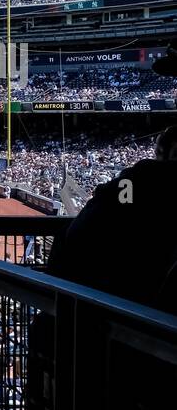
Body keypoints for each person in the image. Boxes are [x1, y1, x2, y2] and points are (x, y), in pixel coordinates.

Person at [47, 124, 177, 312]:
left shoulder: (132, 183)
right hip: (142, 309)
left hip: (102, 302)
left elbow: (82, 233)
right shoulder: (135, 185)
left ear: (161, 152)